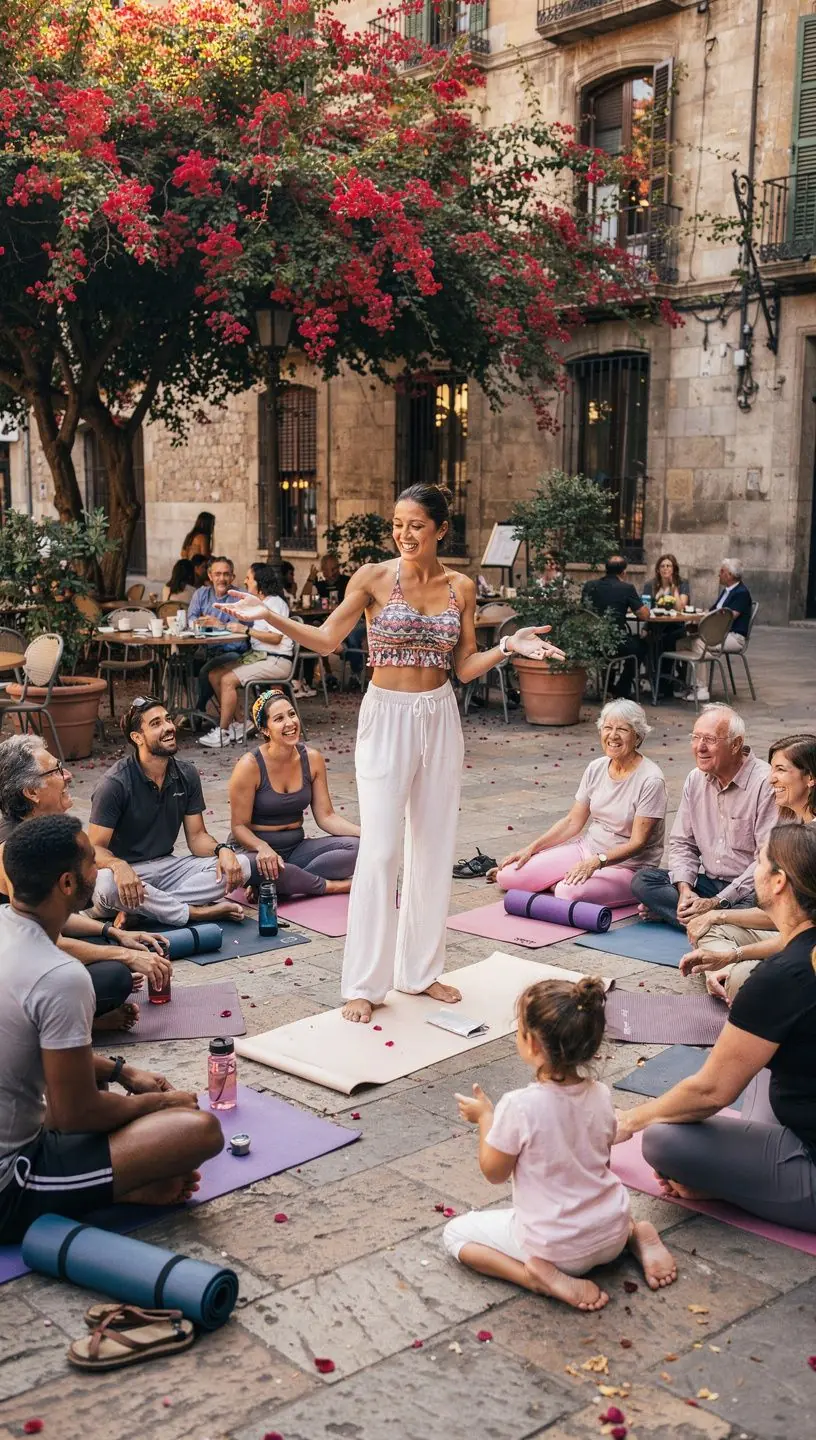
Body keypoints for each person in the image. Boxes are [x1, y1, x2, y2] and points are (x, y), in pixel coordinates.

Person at [221, 482, 564, 1023]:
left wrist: (507, 647)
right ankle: (364, 982)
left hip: (439, 716)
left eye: (417, 525)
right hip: (386, 717)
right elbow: (327, 640)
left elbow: (464, 666)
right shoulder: (374, 578)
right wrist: (269, 616)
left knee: (432, 847)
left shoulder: (461, 587)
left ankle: (421, 971)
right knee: (380, 851)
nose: (404, 534)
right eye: (398, 524)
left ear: (441, 529)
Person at [0, 814, 223, 1243]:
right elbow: (74, 1115)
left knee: (105, 1105)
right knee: (197, 1129)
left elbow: (30, 1048)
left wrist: (122, 1072)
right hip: (10, 1182)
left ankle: (109, 1180)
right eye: (90, 863)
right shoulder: (59, 977)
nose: (99, 869)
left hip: (24, 1122)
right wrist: (160, 1105)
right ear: (67, 884)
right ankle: (116, 1192)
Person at [615, 824, 816, 1233]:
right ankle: (744, 1173)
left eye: (759, 861)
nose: (754, 868)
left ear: (778, 882)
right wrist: (731, 955)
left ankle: (738, 1184)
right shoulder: (799, 955)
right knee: (759, 1052)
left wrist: (630, 1121)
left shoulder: (780, 979)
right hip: (800, 1115)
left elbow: (711, 1091)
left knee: (661, 1140)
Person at [445, 976, 677, 1310]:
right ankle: (636, 1234)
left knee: (455, 1235)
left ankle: (537, 1278)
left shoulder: (518, 1105)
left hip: (557, 1250)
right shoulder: (601, 1095)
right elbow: (601, 1163)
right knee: (595, 1199)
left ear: (534, 1045)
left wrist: (485, 1119)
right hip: (611, 1231)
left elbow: (494, 1173)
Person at [0, 736, 171, 1031]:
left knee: (106, 946)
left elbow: (54, 918)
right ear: (31, 792)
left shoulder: (45, 832)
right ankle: (80, 1023)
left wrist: (113, 934)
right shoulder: (13, 848)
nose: (68, 776)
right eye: (56, 771)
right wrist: (125, 955)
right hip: (14, 970)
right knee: (115, 976)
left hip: (34, 950)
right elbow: (36, 942)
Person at [89, 697, 250, 927]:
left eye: (167, 719)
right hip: (126, 874)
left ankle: (146, 911)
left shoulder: (186, 774)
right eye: (156, 724)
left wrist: (222, 849)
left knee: (240, 864)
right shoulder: (114, 784)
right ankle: (195, 912)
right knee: (105, 885)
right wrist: (119, 866)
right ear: (137, 738)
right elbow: (94, 850)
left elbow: (196, 838)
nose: (169, 727)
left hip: (167, 869)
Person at [681, 733, 816, 1000]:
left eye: (781, 770)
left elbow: (800, 933)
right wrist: (714, 915)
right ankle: (728, 976)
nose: (771, 778)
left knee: (745, 978)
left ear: (810, 778)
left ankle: (732, 978)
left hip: (806, 948)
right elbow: (784, 919)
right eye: (772, 769)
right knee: (707, 926)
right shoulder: (792, 826)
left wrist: (731, 955)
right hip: (789, 934)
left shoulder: (807, 842)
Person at [495, 700, 666, 906]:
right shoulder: (596, 767)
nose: (613, 736)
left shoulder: (651, 780)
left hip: (629, 867)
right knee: (506, 876)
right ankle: (556, 880)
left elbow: (637, 844)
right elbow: (572, 822)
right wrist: (531, 849)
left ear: (637, 736)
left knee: (567, 892)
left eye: (622, 729)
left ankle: (559, 882)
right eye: (607, 728)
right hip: (587, 850)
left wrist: (596, 862)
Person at [631, 705, 777, 929]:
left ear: (736, 744)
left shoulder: (765, 783)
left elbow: (765, 862)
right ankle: (709, 921)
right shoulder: (695, 779)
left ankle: (696, 919)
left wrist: (716, 902)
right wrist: (684, 890)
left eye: (710, 739)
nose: (700, 747)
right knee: (644, 881)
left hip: (749, 889)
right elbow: (682, 842)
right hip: (707, 884)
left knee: (767, 905)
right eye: (696, 737)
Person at [228, 688, 360, 897]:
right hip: (255, 851)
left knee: (357, 847)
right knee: (261, 867)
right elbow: (238, 827)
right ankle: (332, 886)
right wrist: (262, 848)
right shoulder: (249, 766)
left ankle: (280, 884)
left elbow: (326, 817)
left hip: (295, 849)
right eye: (279, 718)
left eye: (291, 714)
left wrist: (366, 834)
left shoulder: (312, 758)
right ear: (265, 729)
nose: (290, 723)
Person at [198, 564, 295, 749]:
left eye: (248, 578)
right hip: (261, 656)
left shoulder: (274, 603)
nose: (244, 581)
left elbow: (276, 638)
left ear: (259, 581)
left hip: (276, 659)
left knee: (227, 680)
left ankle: (223, 732)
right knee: (214, 675)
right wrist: (224, 625)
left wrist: (247, 630)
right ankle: (241, 723)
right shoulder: (262, 602)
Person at [676, 558, 753, 703]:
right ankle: (684, 684)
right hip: (719, 633)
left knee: (699, 643)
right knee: (681, 643)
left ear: (730, 575)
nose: (719, 574)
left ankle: (702, 688)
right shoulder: (727, 591)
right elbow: (713, 611)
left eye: (722, 571)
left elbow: (727, 619)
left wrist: (702, 623)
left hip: (734, 637)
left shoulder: (741, 593)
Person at [187, 556, 249, 713]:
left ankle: (198, 712)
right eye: (218, 574)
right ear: (210, 576)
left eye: (226, 574)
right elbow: (191, 618)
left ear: (232, 577)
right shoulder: (201, 594)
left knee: (205, 672)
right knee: (177, 667)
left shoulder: (239, 596)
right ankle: (181, 710)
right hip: (205, 651)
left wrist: (218, 624)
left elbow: (237, 638)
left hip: (235, 653)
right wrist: (198, 622)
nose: (222, 578)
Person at [581, 555, 648, 699]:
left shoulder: (589, 586)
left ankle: (609, 687)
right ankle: (622, 689)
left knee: (614, 646)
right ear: (624, 572)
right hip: (615, 643)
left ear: (606, 570)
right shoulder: (626, 588)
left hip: (592, 641)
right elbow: (644, 615)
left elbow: (584, 611)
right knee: (641, 645)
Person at [301, 553, 367, 691]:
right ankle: (323, 674)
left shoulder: (346, 581)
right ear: (323, 571)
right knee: (312, 632)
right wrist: (310, 579)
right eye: (328, 570)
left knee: (353, 635)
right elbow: (304, 598)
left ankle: (355, 673)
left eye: (335, 569)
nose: (332, 573)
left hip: (349, 620)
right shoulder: (319, 584)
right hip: (327, 621)